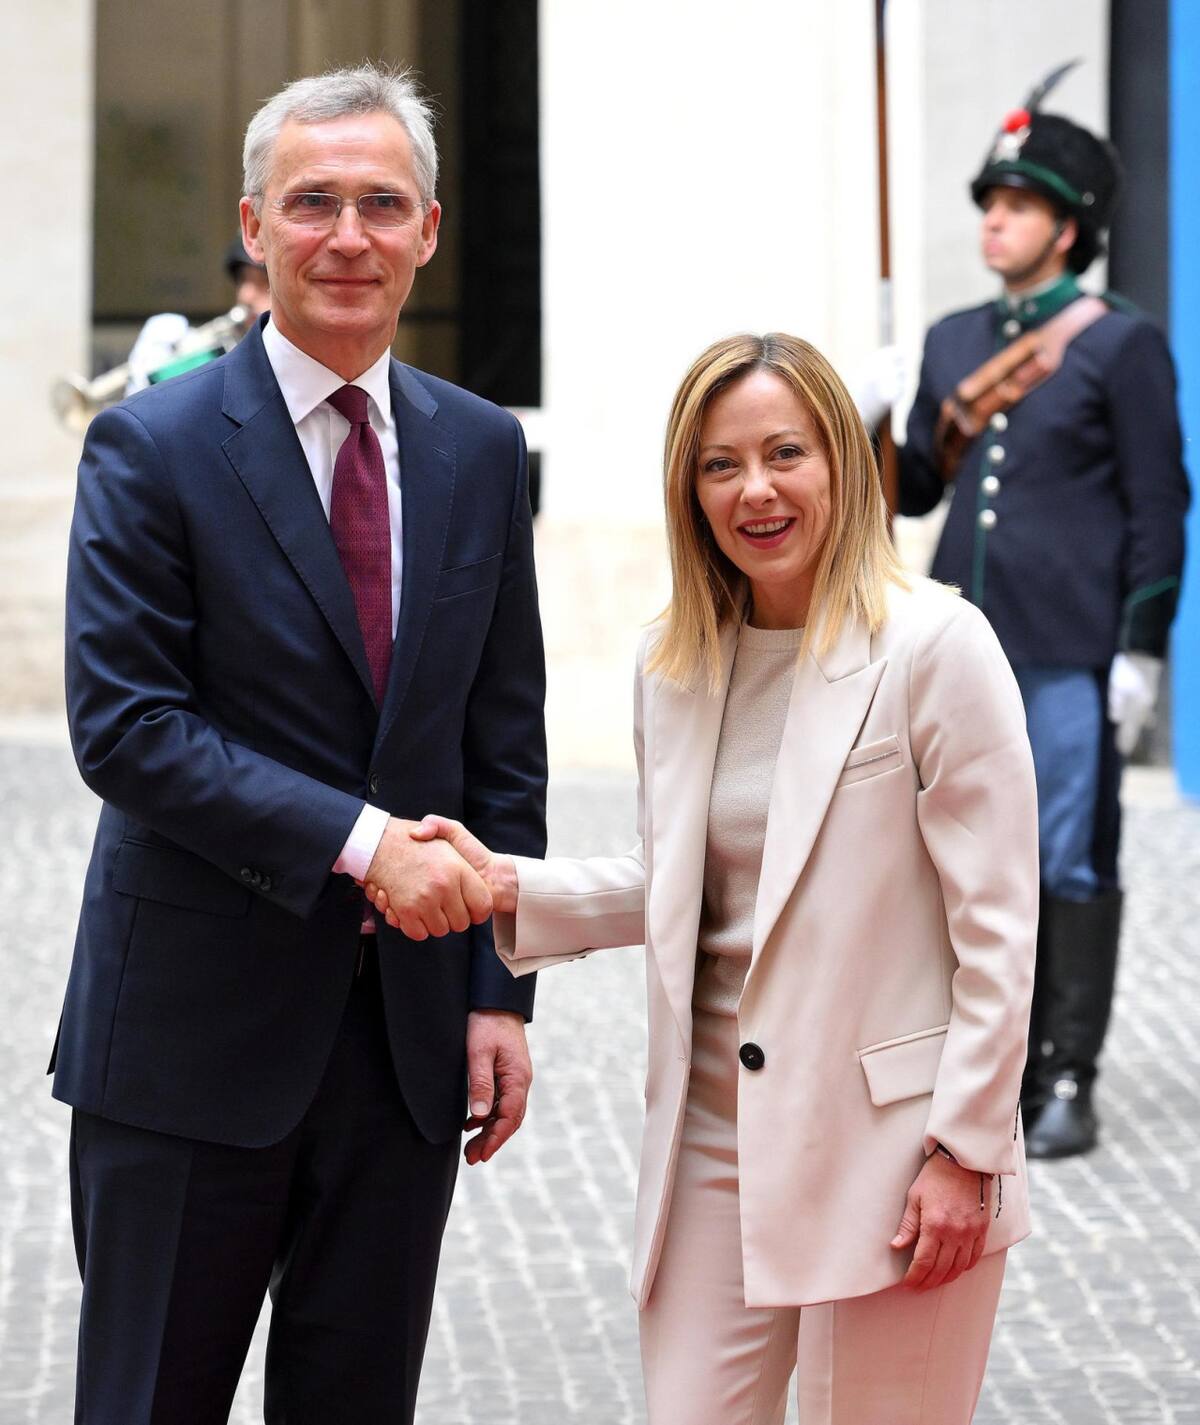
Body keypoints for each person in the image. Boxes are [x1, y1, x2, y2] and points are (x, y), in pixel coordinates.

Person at [374, 333, 1040, 1423]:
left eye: (787, 453)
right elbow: (687, 880)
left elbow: (1002, 931)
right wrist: (509, 888)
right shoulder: (673, 662)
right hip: (711, 1146)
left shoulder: (936, 645)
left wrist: (967, 1152)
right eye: (720, 464)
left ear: (843, 461)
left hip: (899, 1151)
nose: (756, 489)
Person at [53, 63, 546, 1424]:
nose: (348, 236)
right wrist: (365, 843)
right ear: (255, 225)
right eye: (312, 202)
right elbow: (128, 727)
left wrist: (501, 990)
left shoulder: (481, 450)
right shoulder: (149, 448)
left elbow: (503, 743)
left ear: (428, 230)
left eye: (381, 204)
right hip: (187, 1039)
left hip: (403, 1049)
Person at [893, 83, 1190, 1158]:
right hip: (952, 646)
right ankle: (987, 1069)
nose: (994, 221)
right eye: (989, 203)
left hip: (1068, 649)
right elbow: (915, 491)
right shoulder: (951, 339)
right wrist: (884, 418)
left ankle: (1066, 1075)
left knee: (1065, 860)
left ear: (1067, 227)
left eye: (1018, 206)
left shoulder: (1120, 344)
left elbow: (1162, 505)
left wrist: (1141, 650)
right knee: (945, 860)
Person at [125, 235, 271, 394]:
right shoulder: (220, 351)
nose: (245, 296)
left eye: (264, 281)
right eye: (242, 280)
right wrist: (149, 383)